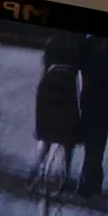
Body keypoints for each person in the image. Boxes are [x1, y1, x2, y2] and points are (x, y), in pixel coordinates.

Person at [32, 32, 82, 193]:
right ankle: (65, 176)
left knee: (47, 134)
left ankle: (36, 171)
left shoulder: (51, 41)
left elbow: (45, 68)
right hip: (66, 87)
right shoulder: (77, 43)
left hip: (49, 86)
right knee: (67, 136)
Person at [77, 36, 108, 200]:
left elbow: (83, 71)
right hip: (101, 102)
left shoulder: (88, 44)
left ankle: (90, 183)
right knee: (97, 145)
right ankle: (91, 184)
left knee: (92, 145)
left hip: (91, 101)